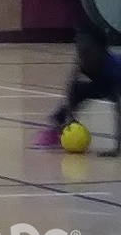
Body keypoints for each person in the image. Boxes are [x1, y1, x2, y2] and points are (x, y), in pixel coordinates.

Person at [30, 17, 121, 156]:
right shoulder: (84, 64)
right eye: (79, 50)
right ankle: (55, 130)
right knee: (77, 93)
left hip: (111, 85)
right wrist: (69, 119)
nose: (81, 55)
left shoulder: (114, 70)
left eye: (85, 51)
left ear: (101, 50)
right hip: (101, 85)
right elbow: (71, 90)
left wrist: (117, 148)